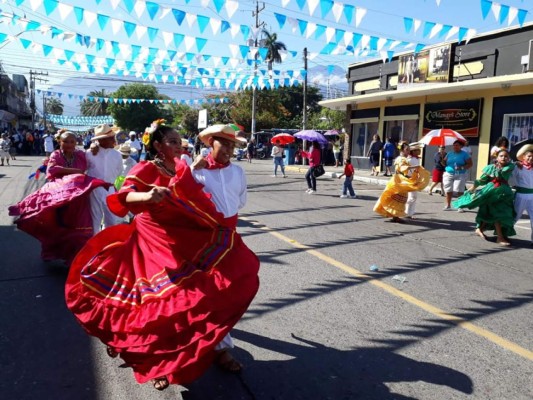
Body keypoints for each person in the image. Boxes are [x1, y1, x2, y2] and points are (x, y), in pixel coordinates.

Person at [65, 120, 259, 390]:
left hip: (184, 239)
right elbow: (125, 196)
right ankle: (155, 362)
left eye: (180, 142)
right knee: (156, 306)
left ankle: (211, 348)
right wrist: (147, 197)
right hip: (154, 241)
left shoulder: (186, 167)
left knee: (203, 294)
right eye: (172, 142)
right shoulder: (146, 167)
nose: (179, 146)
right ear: (157, 146)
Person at [9, 129, 108, 264]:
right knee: (57, 225)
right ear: (59, 142)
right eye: (65, 141)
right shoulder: (56, 154)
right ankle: (53, 252)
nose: (69, 144)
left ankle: (74, 257)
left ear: (76, 143)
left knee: (78, 225)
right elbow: (52, 170)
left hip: (77, 196)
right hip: (59, 195)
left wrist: (93, 145)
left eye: (72, 141)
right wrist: (75, 171)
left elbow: (92, 158)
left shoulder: (80, 154)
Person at [454, 149, 516, 246]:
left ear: (508, 158)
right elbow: (481, 180)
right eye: (501, 156)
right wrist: (473, 187)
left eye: (506, 156)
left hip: (504, 192)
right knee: (496, 213)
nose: (504, 157)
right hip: (491, 192)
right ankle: (500, 237)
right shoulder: (490, 167)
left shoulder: (510, 166)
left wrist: (498, 169)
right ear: (496, 157)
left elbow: (503, 172)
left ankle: (481, 229)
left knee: (503, 213)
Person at [373, 141, 430, 223]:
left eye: (409, 150)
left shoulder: (404, 159)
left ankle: (395, 216)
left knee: (399, 199)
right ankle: (395, 216)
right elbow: (403, 168)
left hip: (401, 180)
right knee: (396, 198)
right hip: (399, 181)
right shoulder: (400, 159)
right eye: (407, 150)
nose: (408, 151)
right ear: (402, 150)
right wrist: (416, 166)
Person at [86, 124, 123, 234]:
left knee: (111, 219)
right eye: (110, 138)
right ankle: (94, 245)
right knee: (95, 219)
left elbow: (118, 171)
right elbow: (85, 169)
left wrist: (110, 182)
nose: (113, 140)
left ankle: (107, 243)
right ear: (101, 140)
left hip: (110, 188)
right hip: (95, 189)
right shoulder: (90, 153)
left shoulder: (117, 155)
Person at [512, 144, 533, 246]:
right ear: (523, 157)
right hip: (521, 195)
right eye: (528, 156)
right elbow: (511, 177)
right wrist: (515, 164)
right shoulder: (518, 167)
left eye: (532, 156)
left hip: (532, 196)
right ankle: (503, 233)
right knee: (515, 216)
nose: (531, 158)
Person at [442, 140, 472, 211]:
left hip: (460, 174)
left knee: (459, 190)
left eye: (457, 145)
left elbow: (470, 164)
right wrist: (442, 158)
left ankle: (460, 206)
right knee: (448, 189)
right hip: (449, 173)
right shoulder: (449, 153)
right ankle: (448, 205)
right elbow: (444, 163)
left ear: (461, 146)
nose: (455, 146)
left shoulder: (465, 154)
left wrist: (461, 167)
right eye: (454, 145)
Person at [405, 142, 424, 219]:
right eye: (417, 150)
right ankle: (408, 213)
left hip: (410, 179)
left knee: (411, 197)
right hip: (412, 179)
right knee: (412, 197)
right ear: (413, 151)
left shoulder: (413, 159)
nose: (419, 151)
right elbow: (414, 171)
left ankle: (409, 212)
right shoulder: (413, 160)